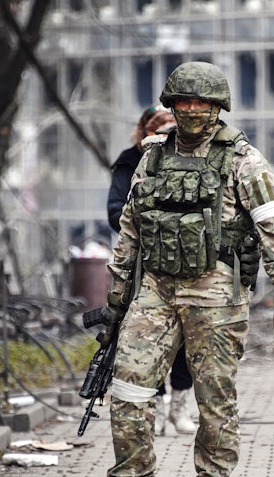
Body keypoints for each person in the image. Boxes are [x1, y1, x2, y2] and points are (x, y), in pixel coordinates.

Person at [74, 61, 274, 477]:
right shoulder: (152, 157)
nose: (193, 110)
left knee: (215, 400)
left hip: (216, 296)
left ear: (219, 107)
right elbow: (131, 229)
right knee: (128, 389)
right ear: (171, 104)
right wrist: (117, 298)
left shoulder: (244, 161)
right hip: (155, 291)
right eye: (184, 101)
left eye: (203, 103)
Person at [107, 105, 196, 436]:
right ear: (144, 129)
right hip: (143, 267)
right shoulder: (132, 160)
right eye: (157, 127)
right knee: (146, 342)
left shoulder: (193, 159)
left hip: (187, 266)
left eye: (170, 125)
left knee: (187, 339)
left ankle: (180, 407)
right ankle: (156, 407)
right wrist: (152, 224)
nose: (164, 133)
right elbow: (116, 211)